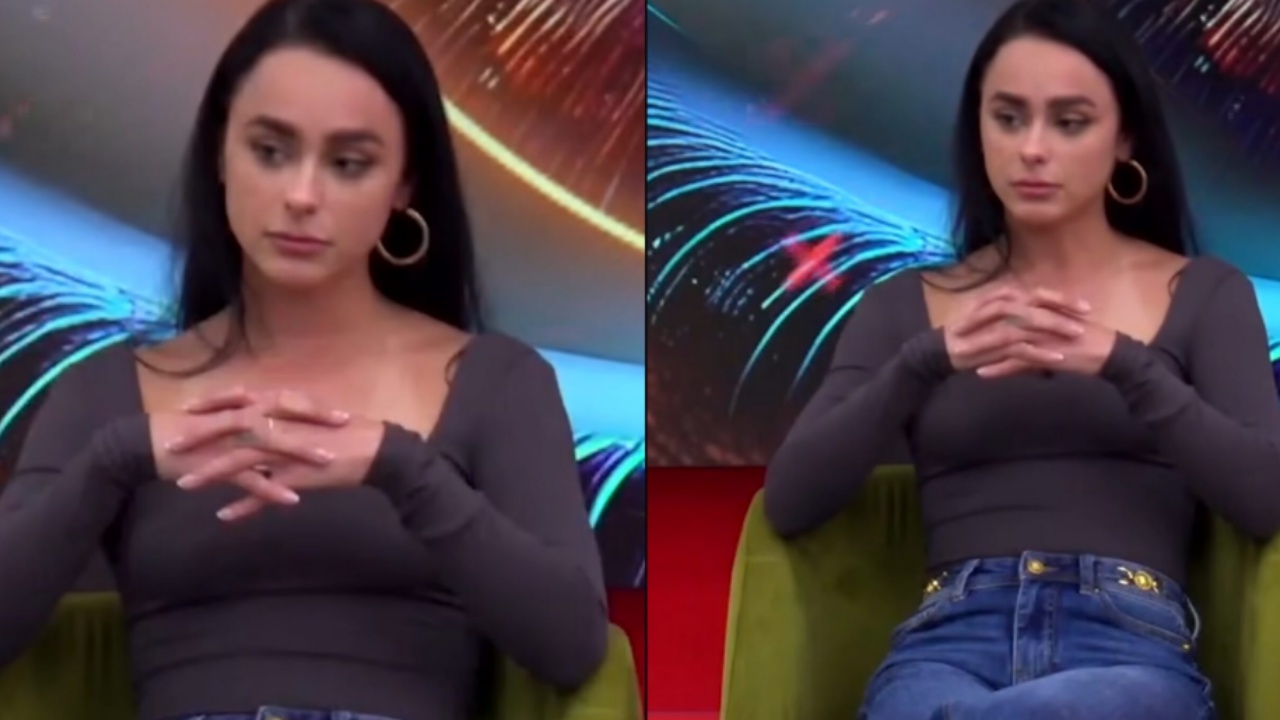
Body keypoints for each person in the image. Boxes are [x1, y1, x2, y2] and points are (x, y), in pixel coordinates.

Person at [0, 0, 608, 719]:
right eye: (270, 151)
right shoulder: (108, 392)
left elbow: (573, 644)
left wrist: (404, 471)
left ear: (404, 185)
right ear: (220, 153)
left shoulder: (497, 382)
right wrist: (114, 463)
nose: (301, 196)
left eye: (349, 164)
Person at [763, 1, 1280, 718]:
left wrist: (1127, 366)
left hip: (1128, 644)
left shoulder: (1204, 292)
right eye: (1008, 118)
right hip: (948, 642)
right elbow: (791, 502)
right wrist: (925, 362)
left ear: (1125, 138)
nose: (1033, 149)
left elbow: (1264, 497)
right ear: (978, 132)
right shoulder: (903, 305)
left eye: (1070, 122)